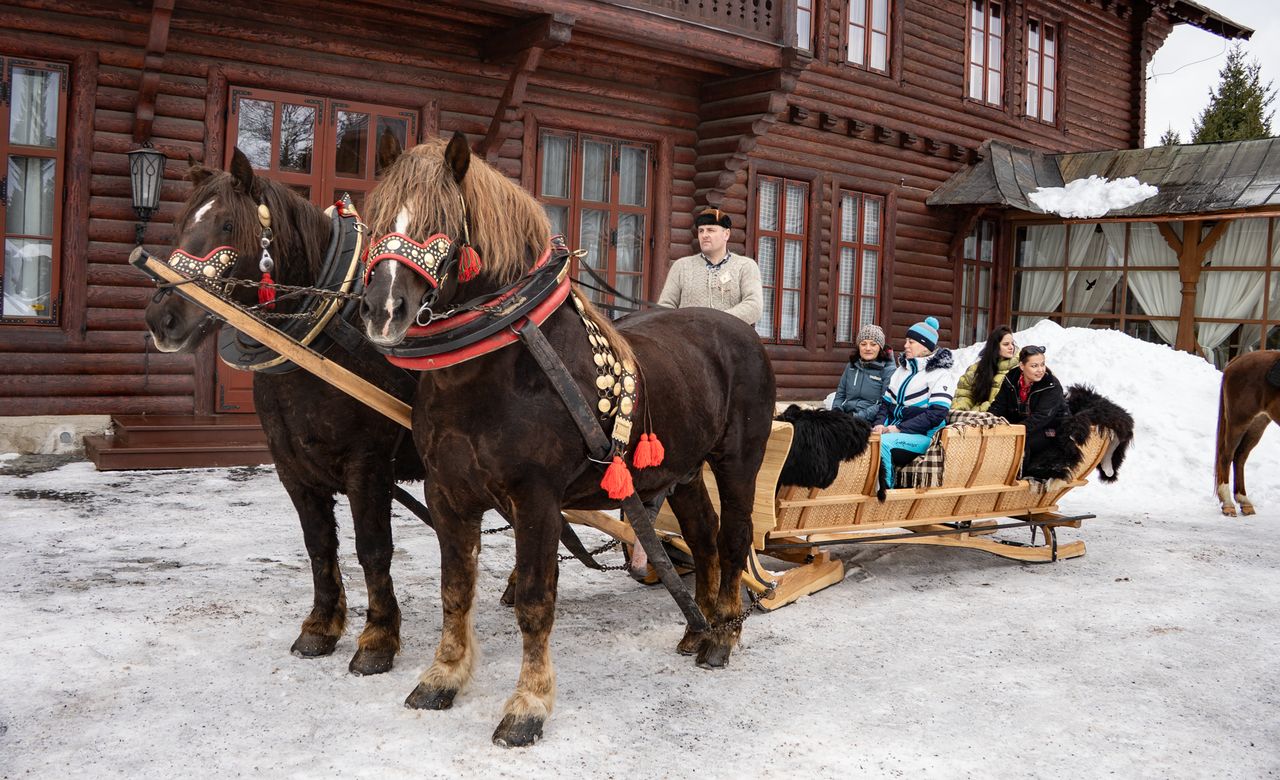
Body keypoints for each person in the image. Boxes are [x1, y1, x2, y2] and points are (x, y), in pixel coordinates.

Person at [871, 316, 954, 489]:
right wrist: (879, 424)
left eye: (911, 342)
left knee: (882, 443)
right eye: (906, 341)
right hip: (892, 431)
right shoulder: (901, 371)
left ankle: (886, 495)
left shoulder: (942, 375)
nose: (905, 345)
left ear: (925, 345)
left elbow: (936, 414)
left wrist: (898, 428)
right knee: (864, 438)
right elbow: (885, 405)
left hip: (924, 437)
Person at [657, 207, 763, 325]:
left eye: (711, 230)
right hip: (688, 335)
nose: (704, 235)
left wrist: (718, 321)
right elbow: (664, 307)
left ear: (726, 234)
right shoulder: (681, 266)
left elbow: (754, 306)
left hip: (729, 335)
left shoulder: (745, 266)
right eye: (701, 231)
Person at [987, 345, 1070, 462]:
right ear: (1022, 366)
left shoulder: (1051, 385)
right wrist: (988, 420)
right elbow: (999, 405)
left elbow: (1042, 417)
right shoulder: (1011, 378)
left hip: (1052, 428)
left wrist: (1014, 431)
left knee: (1022, 442)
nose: (1040, 370)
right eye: (1034, 366)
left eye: (1042, 364)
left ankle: (1019, 471)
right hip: (1023, 425)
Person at [832, 324, 894, 422]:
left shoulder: (888, 370)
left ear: (880, 347)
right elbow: (840, 394)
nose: (868, 348)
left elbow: (884, 404)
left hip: (871, 420)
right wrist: (836, 410)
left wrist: (856, 417)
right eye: (863, 344)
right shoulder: (851, 366)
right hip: (847, 416)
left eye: (873, 344)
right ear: (859, 346)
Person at [951, 326, 1017, 412]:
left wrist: (980, 410)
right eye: (1006, 344)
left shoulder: (1017, 369)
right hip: (976, 416)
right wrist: (960, 409)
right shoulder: (977, 369)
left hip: (1001, 416)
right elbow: (965, 395)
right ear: (994, 346)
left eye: (1012, 343)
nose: (1011, 347)